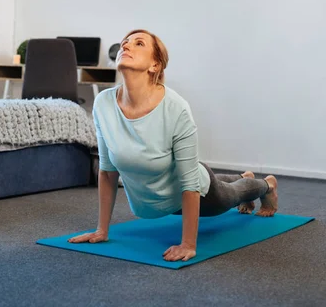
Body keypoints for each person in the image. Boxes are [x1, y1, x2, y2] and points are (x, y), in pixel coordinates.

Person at [68, 29, 278, 262]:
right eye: (124, 43)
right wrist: (102, 230)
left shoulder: (176, 108)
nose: (125, 46)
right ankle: (242, 175)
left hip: (193, 191)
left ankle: (266, 185)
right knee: (212, 177)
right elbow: (107, 172)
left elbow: (189, 183)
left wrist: (188, 244)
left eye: (138, 44)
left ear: (155, 65)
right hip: (160, 195)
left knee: (233, 194)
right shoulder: (103, 103)